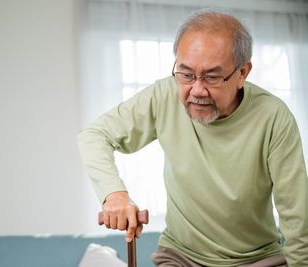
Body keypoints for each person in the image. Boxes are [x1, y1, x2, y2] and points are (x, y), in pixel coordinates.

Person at [77, 10, 308, 267]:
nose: (197, 90)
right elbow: (95, 135)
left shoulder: (274, 117)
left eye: (211, 77)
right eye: (186, 74)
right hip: (181, 258)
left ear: (243, 73)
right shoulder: (163, 96)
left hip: (258, 260)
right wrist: (115, 195)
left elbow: (297, 218)